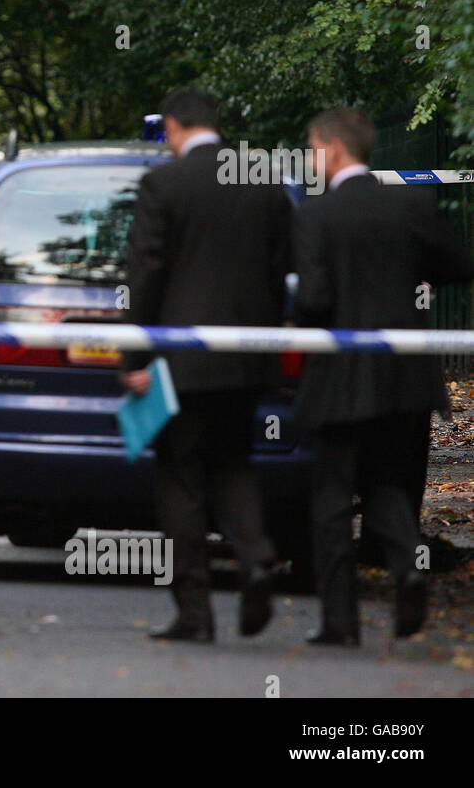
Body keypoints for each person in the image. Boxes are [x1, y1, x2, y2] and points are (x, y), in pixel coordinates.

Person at [293, 107, 474, 645]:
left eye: (310, 148)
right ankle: (406, 571)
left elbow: (314, 301)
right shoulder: (407, 206)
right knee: (388, 488)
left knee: (329, 499)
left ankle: (339, 624)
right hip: (407, 378)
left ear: (330, 147)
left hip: (340, 380)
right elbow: (460, 265)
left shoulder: (316, 217)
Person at [119, 88, 289, 643]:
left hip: (181, 363)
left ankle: (195, 612)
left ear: (171, 127)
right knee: (234, 464)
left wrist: (135, 356)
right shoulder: (261, 180)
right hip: (245, 359)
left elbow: (145, 275)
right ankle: (257, 558)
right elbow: (281, 267)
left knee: (180, 478)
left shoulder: (162, 184)